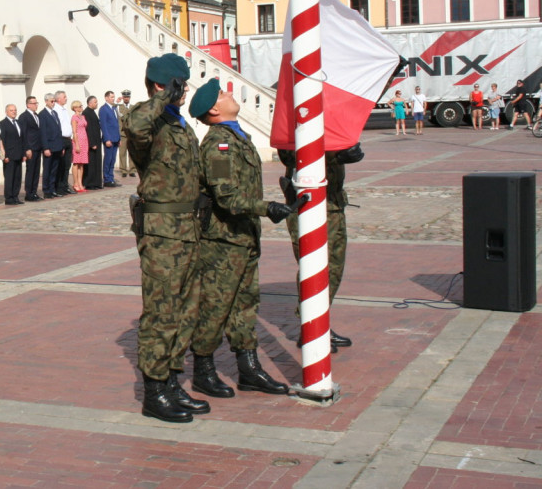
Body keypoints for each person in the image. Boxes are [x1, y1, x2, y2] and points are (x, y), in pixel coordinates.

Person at [189, 79, 294, 400]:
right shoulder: (218, 144)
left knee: (245, 304)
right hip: (223, 242)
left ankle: (248, 369)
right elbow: (226, 198)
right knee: (216, 307)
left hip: (243, 236)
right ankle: (203, 371)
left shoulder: (237, 136)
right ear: (214, 110)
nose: (229, 93)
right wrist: (268, 208)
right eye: (222, 94)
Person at [124, 53, 209, 423]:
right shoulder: (148, 118)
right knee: (161, 311)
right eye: (179, 84)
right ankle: (154, 390)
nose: (185, 91)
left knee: (185, 310)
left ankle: (173, 381)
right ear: (162, 85)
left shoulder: (178, 123)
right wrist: (161, 98)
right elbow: (135, 126)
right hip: (162, 233)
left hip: (188, 229)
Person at [279, 144, 364, 352]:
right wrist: (336, 156)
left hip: (333, 204)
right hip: (307, 205)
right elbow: (289, 154)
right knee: (314, 267)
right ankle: (309, 329)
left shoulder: (334, 121)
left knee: (334, 268)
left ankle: (321, 324)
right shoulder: (297, 117)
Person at [39, 93, 65, 199]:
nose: (53, 103)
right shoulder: (42, 114)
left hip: (57, 146)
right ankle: (47, 190)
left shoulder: (55, 113)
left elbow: (59, 130)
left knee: (54, 169)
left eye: (54, 101)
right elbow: (43, 133)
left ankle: (53, 188)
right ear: (46, 101)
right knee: (47, 169)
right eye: (51, 101)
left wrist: (62, 146)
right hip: (49, 146)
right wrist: (45, 148)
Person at [0, 103, 25, 205]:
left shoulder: (18, 122)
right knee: (9, 177)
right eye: (11, 110)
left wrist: (23, 153)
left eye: (15, 110)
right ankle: (9, 198)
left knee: (17, 177)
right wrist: (4, 156)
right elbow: (2, 141)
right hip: (9, 155)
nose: (14, 112)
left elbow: (22, 139)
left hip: (19, 154)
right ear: (6, 112)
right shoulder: (2, 124)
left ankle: (15, 196)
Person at [19, 97, 43, 201]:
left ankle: (34, 192)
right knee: (30, 171)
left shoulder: (36, 116)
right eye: (33, 103)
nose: (36, 105)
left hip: (38, 146)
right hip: (30, 147)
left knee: (36, 171)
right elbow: (23, 134)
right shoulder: (24, 117)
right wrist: (27, 148)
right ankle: (29, 193)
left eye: (36, 103)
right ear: (28, 105)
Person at [53, 90, 74, 195]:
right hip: (61, 139)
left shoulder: (65, 109)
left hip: (68, 139)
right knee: (60, 165)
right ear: (58, 99)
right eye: (64, 97)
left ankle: (65, 185)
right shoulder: (55, 109)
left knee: (67, 164)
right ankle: (58, 186)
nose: (66, 98)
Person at [99, 90, 121, 187]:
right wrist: (107, 139)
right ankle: (107, 179)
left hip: (115, 138)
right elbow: (103, 125)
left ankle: (111, 177)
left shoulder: (113, 108)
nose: (113, 98)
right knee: (108, 159)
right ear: (106, 98)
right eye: (111, 97)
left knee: (113, 159)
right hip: (109, 138)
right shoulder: (103, 109)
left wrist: (119, 138)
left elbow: (116, 125)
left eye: (113, 97)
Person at [83, 95, 104, 190]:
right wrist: (92, 143)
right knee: (91, 163)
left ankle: (96, 182)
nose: (97, 104)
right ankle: (89, 182)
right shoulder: (86, 113)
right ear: (90, 103)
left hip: (97, 140)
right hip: (92, 142)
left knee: (97, 162)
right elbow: (89, 130)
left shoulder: (92, 112)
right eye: (95, 102)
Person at [69, 100, 88, 192]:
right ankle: (75, 183)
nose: (81, 107)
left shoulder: (82, 116)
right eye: (80, 106)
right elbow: (74, 131)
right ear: (75, 108)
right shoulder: (74, 118)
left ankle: (80, 183)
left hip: (84, 141)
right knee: (76, 162)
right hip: (78, 141)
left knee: (82, 163)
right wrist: (76, 144)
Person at [118, 90, 134, 178]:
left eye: (127, 97)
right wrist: (117, 101)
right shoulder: (119, 107)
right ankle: (123, 170)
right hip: (122, 134)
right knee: (122, 153)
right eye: (124, 97)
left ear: (130, 97)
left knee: (132, 153)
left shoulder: (133, 107)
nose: (126, 98)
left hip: (131, 134)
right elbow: (111, 107)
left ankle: (132, 170)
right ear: (123, 98)